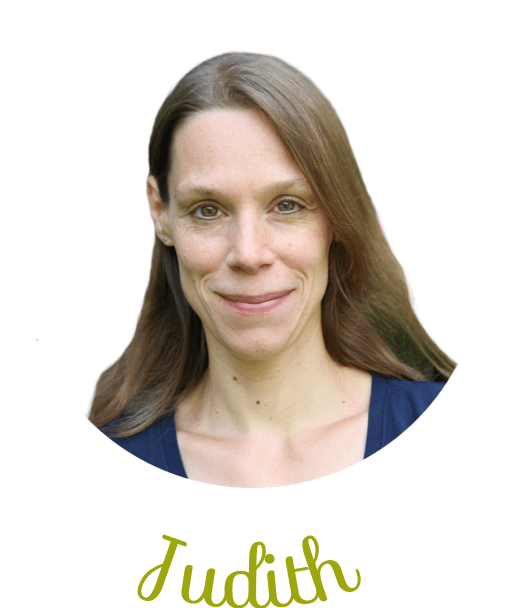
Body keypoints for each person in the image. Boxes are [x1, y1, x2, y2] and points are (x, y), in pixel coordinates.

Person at [89, 52, 455, 487]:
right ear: (160, 211)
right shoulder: (108, 459)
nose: (248, 253)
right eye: (207, 210)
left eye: (287, 206)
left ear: (336, 217)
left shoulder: (447, 426)